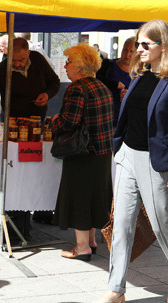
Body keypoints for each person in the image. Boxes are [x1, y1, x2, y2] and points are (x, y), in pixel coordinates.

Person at [95, 20, 168, 303]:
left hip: (157, 161)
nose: (137, 50)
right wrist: (119, 149)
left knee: (163, 223)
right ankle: (116, 289)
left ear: (163, 45)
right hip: (128, 154)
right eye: (136, 44)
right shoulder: (139, 75)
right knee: (121, 223)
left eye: (144, 44)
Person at [51, 43, 114, 261]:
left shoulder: (77, 88)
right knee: (95, 197)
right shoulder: (102, 86)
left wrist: (54, 122)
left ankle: (81, 247)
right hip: (103, 152)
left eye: (69, 63)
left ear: (78, 67)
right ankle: (92, 241)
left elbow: (69, 122)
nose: (66, 67)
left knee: (79, 197)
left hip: (83, 153)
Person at [0, 37, 60, 124]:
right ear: (8, 54)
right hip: (11, 124)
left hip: (36, 123)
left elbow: (54, 82)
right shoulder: (1, 70)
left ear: (28, 53)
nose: (17, 64)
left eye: (21, 60)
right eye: (13, 60)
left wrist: (47, 94)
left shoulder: (37, 59)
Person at [96, 37, 134, 126]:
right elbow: (95, 80)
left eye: (132, 52)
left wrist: (130, 95)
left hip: (128, 123)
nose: (127, 54)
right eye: (125, 50)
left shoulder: (140, 73)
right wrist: (114, 84)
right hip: (105, 119)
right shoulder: (108, 65)